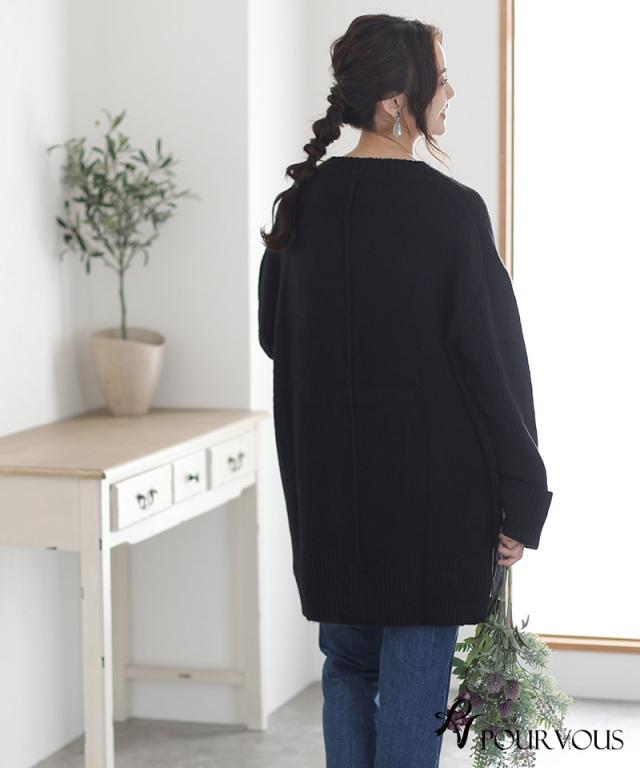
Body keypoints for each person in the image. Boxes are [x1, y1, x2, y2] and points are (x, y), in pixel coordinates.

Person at [257, 13, 553, 768]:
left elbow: (275, 335)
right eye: (440, 79)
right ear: (397, 100)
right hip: (431, 507)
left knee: (347, 669)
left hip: (331, 497)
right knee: (416, 685)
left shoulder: (301, 205)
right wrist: (523, 496)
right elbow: (496, 370)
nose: (450, 92)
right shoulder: (451, 212)